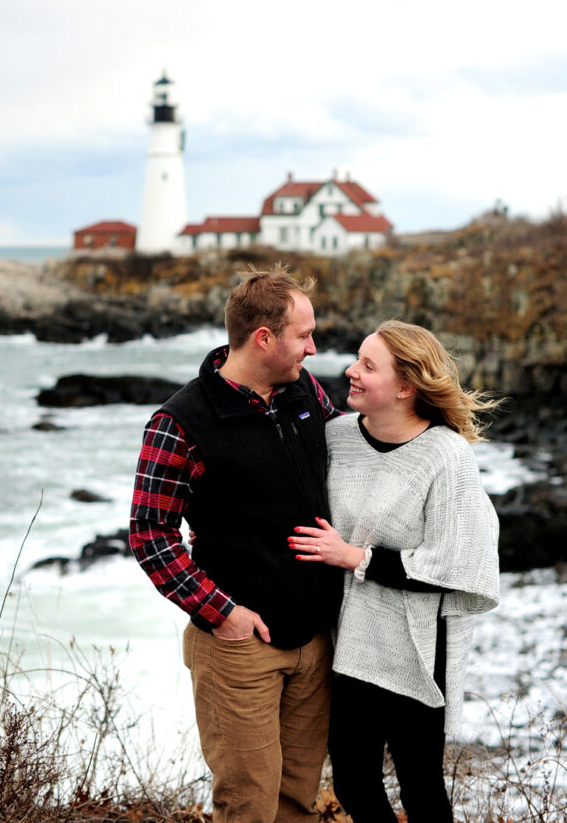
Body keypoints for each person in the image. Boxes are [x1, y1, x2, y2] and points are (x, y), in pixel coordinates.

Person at [129, 266, 344, 823]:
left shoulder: (305, 392)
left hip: (315, 637)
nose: (314, 348)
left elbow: (353, 459)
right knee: (247, 806)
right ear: (264, 338)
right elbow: (150, 536)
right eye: (304, 336)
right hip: (239, 646)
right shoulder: (180, 422)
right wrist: (224, 615)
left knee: (296, 799)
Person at [288, 320, 500, 823]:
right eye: (357, 358)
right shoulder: (336, 436)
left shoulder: (446, 455)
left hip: (418, 645)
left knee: (421, 789)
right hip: (351, 641)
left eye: (367, 365)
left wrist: (356, 558)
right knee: (354, 783)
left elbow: (459, 560)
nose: (349, 371)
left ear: (405, 388)